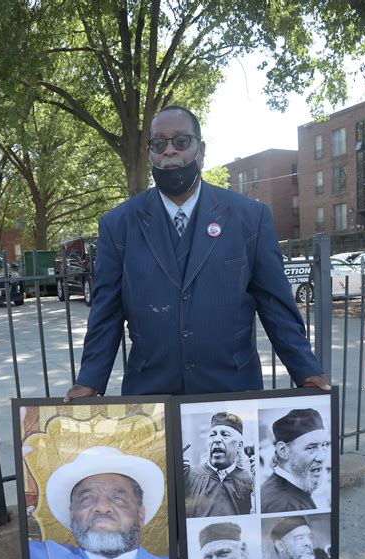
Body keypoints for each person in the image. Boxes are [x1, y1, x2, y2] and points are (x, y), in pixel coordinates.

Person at [64, 105, 330, 401]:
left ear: (200, 149)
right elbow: (106, 312)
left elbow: (275, 305)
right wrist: (90, 379)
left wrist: (305, 369)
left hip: (232, 390)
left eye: (181, 141)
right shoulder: (118, 225)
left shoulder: (249, 218)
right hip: (151, 395)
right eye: (158, 144)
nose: (169, 152)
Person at [28, 446, 171, 559]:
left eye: (118, 498)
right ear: (73, 516)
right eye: (87, 498)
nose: (102, 508)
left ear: (140, 515)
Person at [184, 411, 253, 517]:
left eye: (225, 435)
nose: (216, 439)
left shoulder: (249, 480)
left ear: (239, 446)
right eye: (212, 435)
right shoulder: (189, 476)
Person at [261, 408, 330, 513]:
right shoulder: (285, 504)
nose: (322, 457)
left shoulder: (290, 489)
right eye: (311, 447)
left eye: (324, 445)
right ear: (283, 450)